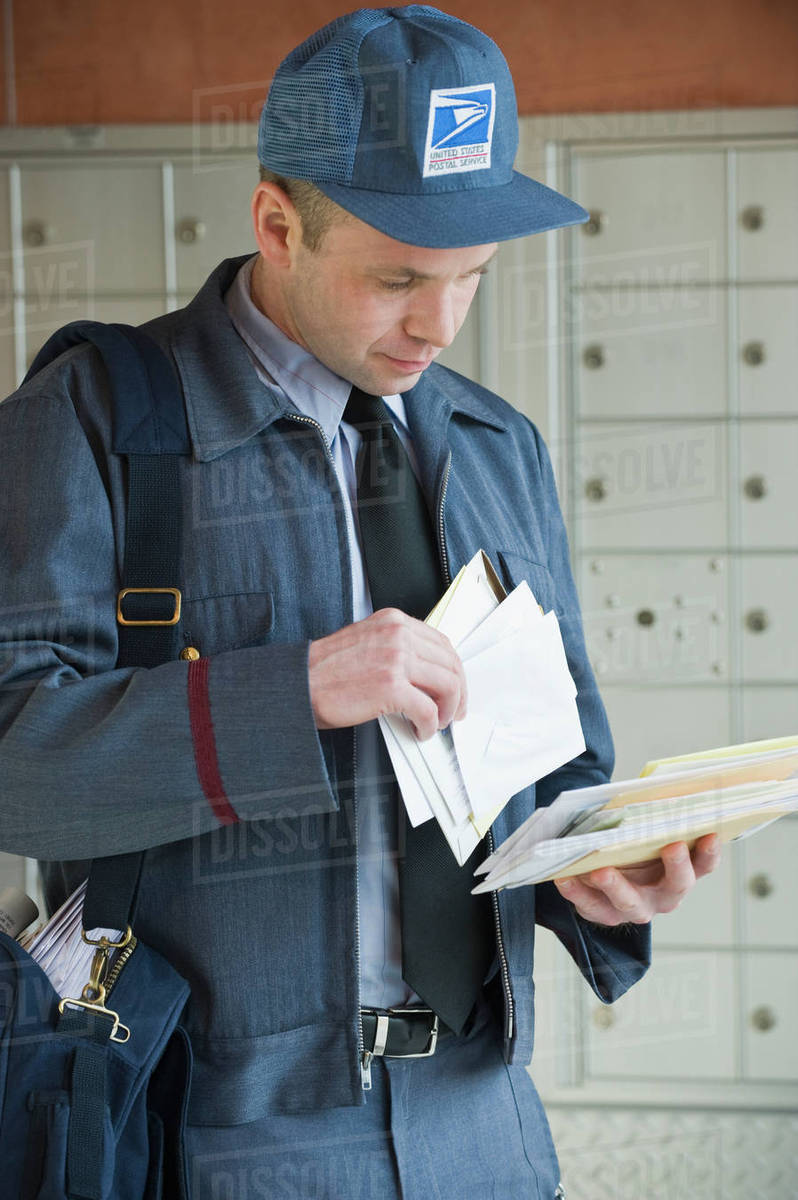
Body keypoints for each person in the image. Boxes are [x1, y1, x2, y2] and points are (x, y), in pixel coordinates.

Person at [0, 7, 720, 1198]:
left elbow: (559, 771)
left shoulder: (500, 447)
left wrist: (601, 877)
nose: (438, 325)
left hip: (484, 1133)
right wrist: (290, 695)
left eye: (470, 280)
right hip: (215, 1136)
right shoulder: (87, 427)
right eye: (397, 279)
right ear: (276, 225)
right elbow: (15, 762)